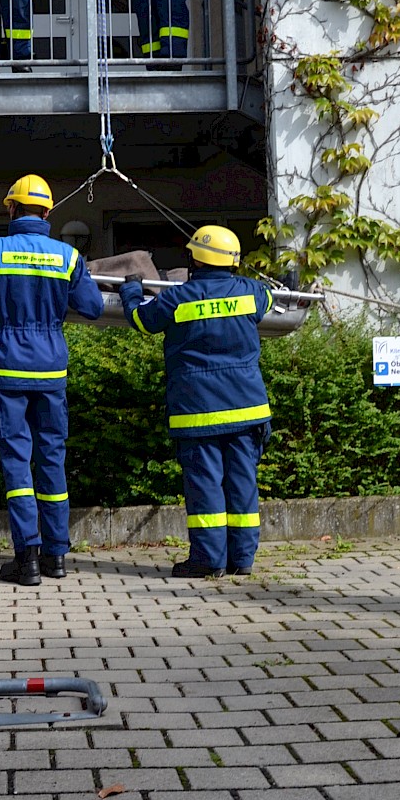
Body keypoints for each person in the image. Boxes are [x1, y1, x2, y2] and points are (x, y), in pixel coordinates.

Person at [0, 174, 103, 584]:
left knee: (17, 464)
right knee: (52, 460)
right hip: (51, 370)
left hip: (7, 369)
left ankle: (27, 561)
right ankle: (56, 558)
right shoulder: (68, 257)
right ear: (49, 212)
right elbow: (91, 307)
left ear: (12, 208)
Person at [120, 225, 273, 578]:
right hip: (248, 411)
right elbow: (269, 302)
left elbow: (142, 320)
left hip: (198, 413)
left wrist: (131, 292)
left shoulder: (177, 299)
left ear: (196, 259)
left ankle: (208, 560)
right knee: (242, 487)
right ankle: (242, 560)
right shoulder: (252, 292)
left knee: (205, 487)